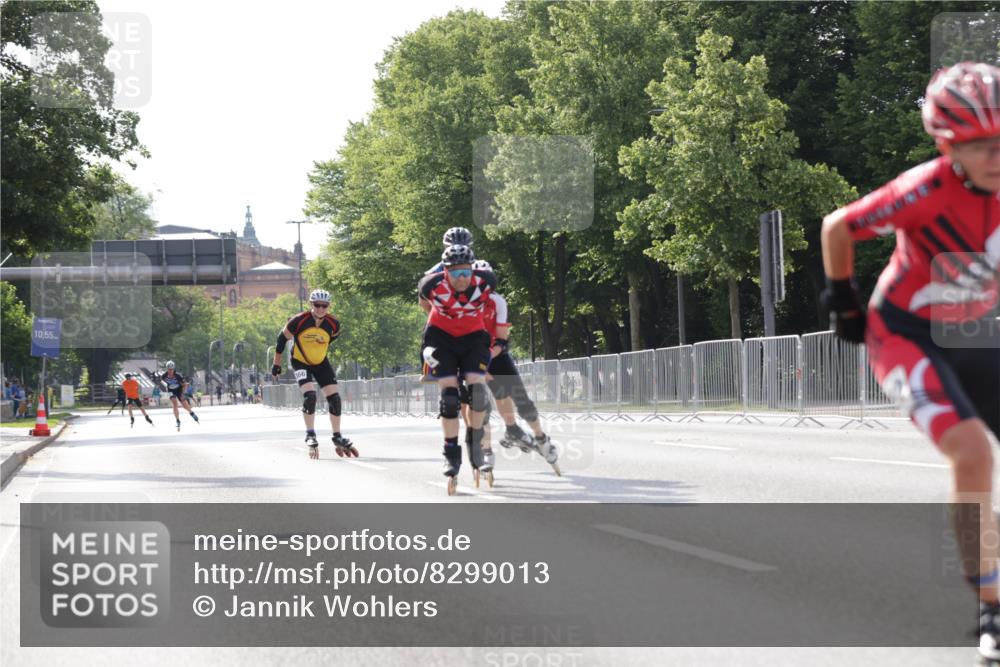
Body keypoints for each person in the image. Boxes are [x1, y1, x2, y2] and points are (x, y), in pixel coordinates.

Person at [820, 62, 1000, 661]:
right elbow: (837, 226)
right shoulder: (922, 190)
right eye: (980, 146)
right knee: (971, 451)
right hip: (905, 332)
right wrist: (843, 299)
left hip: (975, 328)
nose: (995, 156)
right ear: (948, 146)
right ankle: (992, 607)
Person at [418, 244, 496, 495]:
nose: (461, 279)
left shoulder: (486, 282)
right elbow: (424, 304)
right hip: (441, 338)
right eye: (455, 274)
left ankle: (476, 445)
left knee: (478, 393)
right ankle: (451, 453)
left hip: (474, 338)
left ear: (473, 270)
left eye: (466, 273)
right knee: (450, 399)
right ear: (445, 272)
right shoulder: (431, 286)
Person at [473, 260, 560, 475]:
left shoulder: (498, 302)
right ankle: (486, 450)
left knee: (520, 399)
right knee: (480, 406)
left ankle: (540, 437)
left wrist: (488, 358)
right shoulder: (463, 305)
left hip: (495, 354)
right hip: (472, 356)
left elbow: (501, 340)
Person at [272, 288, 357, 459]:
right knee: (310, 396)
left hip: (320, 362)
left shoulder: (334, 324)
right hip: (300, 361)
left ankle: (337, 436)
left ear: (328, 306)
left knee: (335, 398)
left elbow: (328, 341)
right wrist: (276, 365)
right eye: (317, 305)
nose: (320, 309)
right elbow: (281, 340)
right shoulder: (298, 321)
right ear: (311, 304)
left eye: (324, 306)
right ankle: (310, 434)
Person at [157, 361, 200, 431]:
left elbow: (185, 384)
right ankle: (177, 420)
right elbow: (162, 382)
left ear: (174, 369)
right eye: (169, 369)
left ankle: (191, 413)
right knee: (175, 403)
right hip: (171, 390)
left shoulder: (178, 376)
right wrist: (164, 385)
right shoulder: (164, 376)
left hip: (179, 389)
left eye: (172, 369)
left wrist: (183, 393)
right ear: (167, 369)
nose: (170, 371)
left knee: (185, 405)